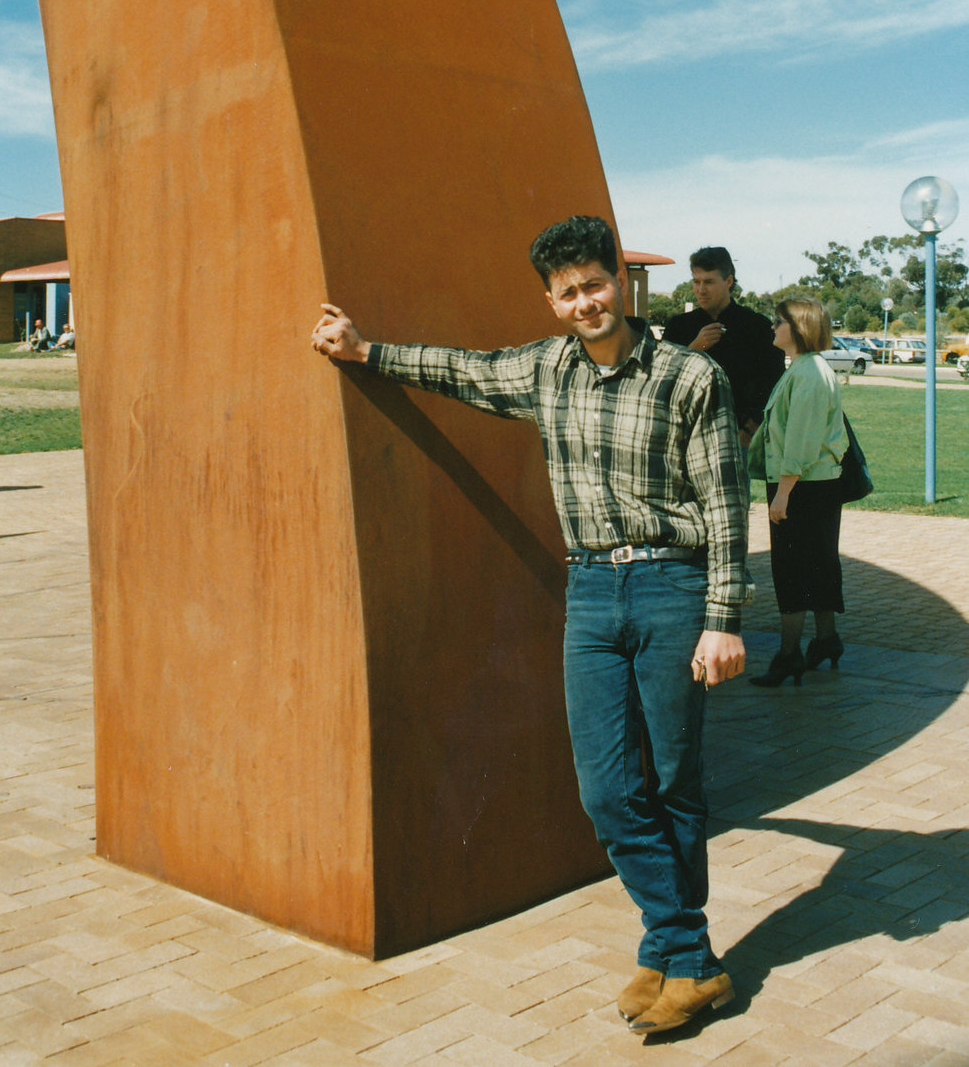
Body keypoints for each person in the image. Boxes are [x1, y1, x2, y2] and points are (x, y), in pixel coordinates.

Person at [312, 215, 751, 1038]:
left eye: (594, 284)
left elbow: (726, 505)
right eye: (567, 292)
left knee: (672, 781)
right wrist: (365, 352)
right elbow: (461, 369)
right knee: (606, 791)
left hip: (671, 588)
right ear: (550, 301)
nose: (584, 302)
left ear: (618, 281)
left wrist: (722, 620)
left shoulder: (691, 377)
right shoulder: (545, 370)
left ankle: (672, 955)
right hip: (588, 593)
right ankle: (687, 950)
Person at [748, 297, 847, 687]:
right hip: (816, 484)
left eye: (779, 322)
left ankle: (788, 655)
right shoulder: (810, 369)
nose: (774, 328)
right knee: (819, 564)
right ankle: (825, 640)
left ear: (799, 328)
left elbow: (801, 441)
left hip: (801, 485)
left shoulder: (807, 374)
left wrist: (783, 493)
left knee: (791, 570)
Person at [662, 246, 785, 450]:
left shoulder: (757, 327)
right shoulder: (678, 327)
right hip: (685, 437)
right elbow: (661, 378)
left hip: (736, 438)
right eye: (696, 281)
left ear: (728, 281)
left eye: (708, 282)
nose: (701, 290)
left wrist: (750, 429)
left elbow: (773, 382)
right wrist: (694, 349)